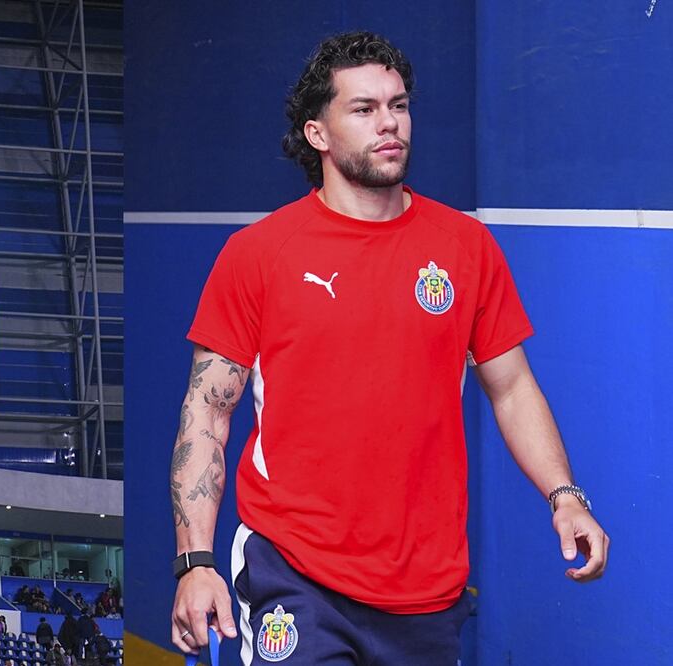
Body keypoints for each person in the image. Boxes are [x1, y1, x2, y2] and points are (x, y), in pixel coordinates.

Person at [168, 31, 610, 666]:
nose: (389, 124)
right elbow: (206, 413)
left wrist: (565, 497)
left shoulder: (466, 247)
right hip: (295, 571)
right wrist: (196, 562)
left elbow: (511, 388)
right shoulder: (258, 255)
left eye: (398, 105)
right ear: (317, 133)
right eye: (364, 109)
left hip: (428, 593)